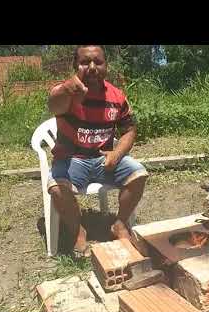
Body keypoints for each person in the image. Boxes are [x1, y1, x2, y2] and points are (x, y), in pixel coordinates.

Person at [47, 45, 148, 257]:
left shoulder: (116, 96)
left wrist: (116, 154)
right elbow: (54, 106)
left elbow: (129, 129)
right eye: (85, 62)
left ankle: (119, 225)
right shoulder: (66, 91)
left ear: (106, 66)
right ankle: (77, 231)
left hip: (104, 159)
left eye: (98, 62)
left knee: (138, 174)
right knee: (57, 188)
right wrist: (67, 89)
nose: (92, 67)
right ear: (75, 66)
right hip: (71, 159)